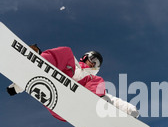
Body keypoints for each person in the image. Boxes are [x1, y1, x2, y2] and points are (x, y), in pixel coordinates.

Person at [7, 44, 139, 120]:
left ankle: (94, 104)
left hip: (75, 106)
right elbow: (35, 79)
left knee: (98, 82)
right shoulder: (72, 62)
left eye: (96, 63)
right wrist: (17, 87)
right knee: (66, 51)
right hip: (54, 93)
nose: (93, 62)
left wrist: (130, 110)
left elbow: (111, 98)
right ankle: (39, 61)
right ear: (85, 56)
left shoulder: (93, 78)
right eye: (92, 58)